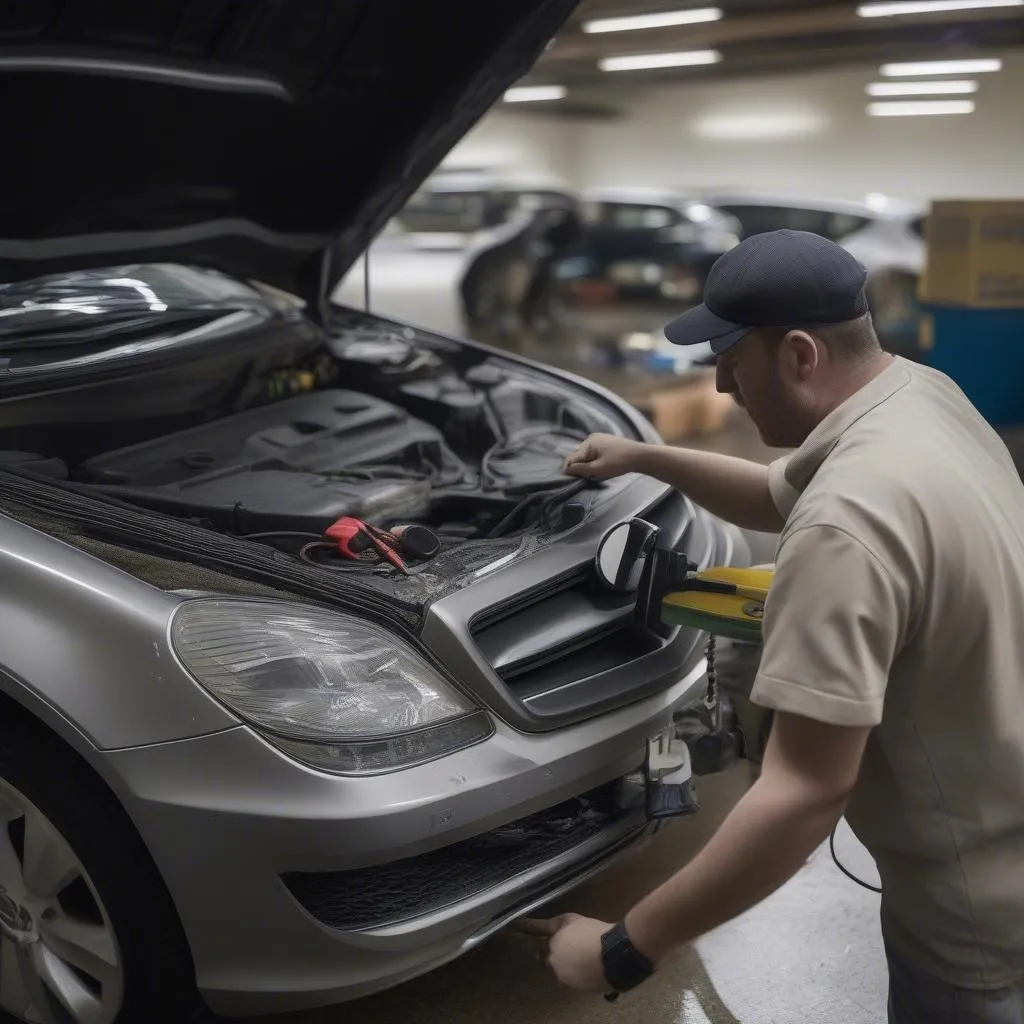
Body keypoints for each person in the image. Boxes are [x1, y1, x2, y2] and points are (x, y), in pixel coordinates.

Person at [518, 230, 1024, 1024]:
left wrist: (622, 946)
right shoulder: (920, 398)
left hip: (976, 922)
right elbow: (774, 492)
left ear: (798, 355)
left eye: (730, 357)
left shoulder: (846, 525)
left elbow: (802, 793)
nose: (721, 386)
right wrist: (647, 457)